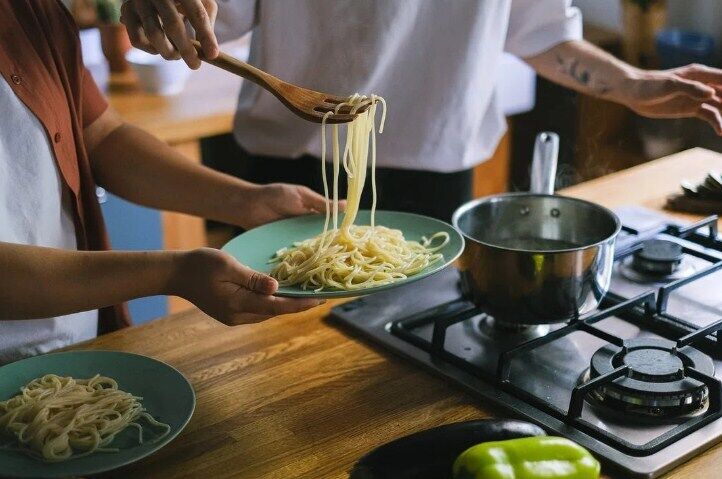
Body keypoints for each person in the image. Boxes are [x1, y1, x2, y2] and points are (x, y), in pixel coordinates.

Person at [121, 0, 722, 221]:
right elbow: (210, 16)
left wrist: (632, 84)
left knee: (405, 377)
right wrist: (164, 12)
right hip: (289, 166)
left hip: (436, 171)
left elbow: (539, 31)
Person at [0, 0, 330, 365]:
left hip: (73, 348)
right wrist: (174, 273)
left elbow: (100, 136)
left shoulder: (29, 10)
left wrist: (246, 202)